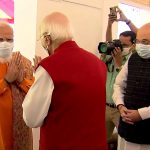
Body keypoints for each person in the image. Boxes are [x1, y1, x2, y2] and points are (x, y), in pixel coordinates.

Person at [22, 12, 107, 150]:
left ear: (47, 39)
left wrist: (38, 76)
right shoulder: (98, 63)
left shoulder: (48, 68)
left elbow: (31, 119)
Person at [101, 8, 136, 144]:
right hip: (105, 107)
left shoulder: (133, 59)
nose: (119, 47)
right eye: (119, 43)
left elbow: (127, 83)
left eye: (124, 45)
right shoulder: (112, 55)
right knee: (101, 140)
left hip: (120, 109)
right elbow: (108, 42)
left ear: (133, 45)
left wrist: (119, 63)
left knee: (123, 142)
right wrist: (110, 24)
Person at [113, 23, 150, 150]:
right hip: (126, 129)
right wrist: (120, 105)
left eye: (145, 42)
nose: (140, 46)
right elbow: (119, 84)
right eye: (138, 41)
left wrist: (141, 114)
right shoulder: (133, 58)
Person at [0, 21, 34, 150]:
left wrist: (20, 80)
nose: (5, 44)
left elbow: (34, 96)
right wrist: (6, 81)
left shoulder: (24, 63)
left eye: (9, 40)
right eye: (0, 39)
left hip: (20, 133)